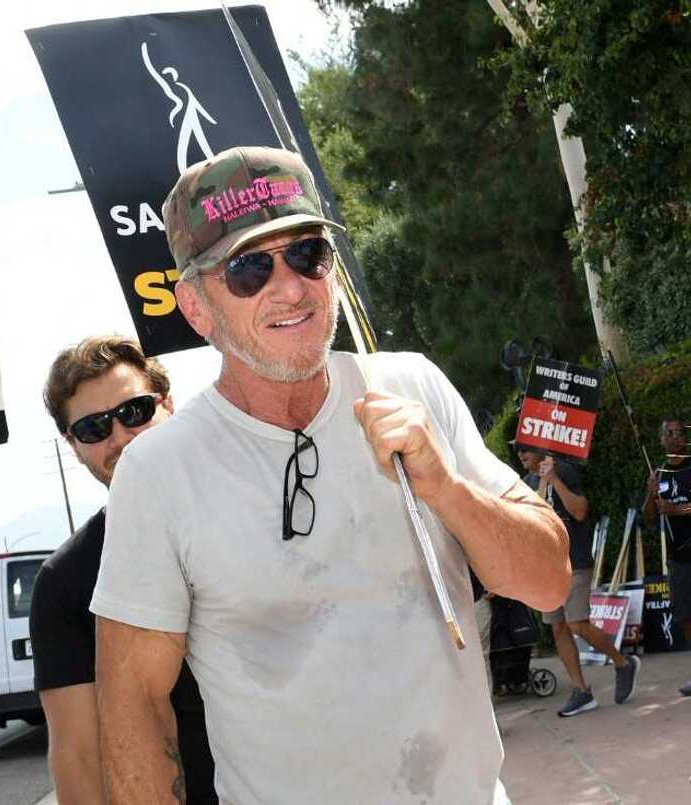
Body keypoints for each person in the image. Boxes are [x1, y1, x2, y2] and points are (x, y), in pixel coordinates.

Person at [90, 146, 570, 804]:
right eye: (250, 268)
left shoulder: (412, 387)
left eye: (308, 254)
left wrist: (447, 489)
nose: (289, 287)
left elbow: (548, 582)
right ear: (197, 306)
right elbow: (134, 708)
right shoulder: (160, 471)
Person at [30, 336, 217, 804]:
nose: (120, 437)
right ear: (73, 446)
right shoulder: (65, 583)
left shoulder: (259, 510)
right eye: (94, 428)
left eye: (134, 411)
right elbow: (77, 757)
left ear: (168, 403)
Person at [515, 446, 640, 715]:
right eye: (517, 449)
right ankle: (581, 691)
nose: (520, 453)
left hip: (574, 561)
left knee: (577, 623)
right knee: (558, 628)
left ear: (540, 448)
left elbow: (581, 511)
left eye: (525, 448)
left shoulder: (564, 470)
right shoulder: (526, 483)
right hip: (546, 568)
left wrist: (554, 480)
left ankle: (623, 662)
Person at [643, 417, 691, 694]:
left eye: (680, 433)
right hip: (678, 558)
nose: (675, 438)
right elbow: (649, 517)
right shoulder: (658, 474)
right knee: (685, 615)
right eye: (669, 433)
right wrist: (651, 496)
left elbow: (676, 510)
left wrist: (678, 511)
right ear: (661, 440)